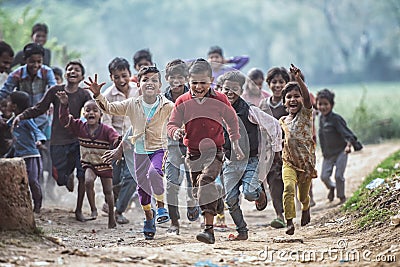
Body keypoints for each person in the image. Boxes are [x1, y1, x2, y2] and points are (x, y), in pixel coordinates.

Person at [85, 66, 174, 240]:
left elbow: (178, 122)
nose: (150, 83)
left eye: (154, 80)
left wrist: (180, 132)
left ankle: (162, 208)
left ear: (160, 85)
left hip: (159, 149)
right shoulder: (133, 104)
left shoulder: (168, 106)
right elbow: (109, 108)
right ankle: (149, 218)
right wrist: (97, 95)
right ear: (139, 85)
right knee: (142, 190)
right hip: (139, 151)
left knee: (154, 173)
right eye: (145, 80)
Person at [167, 58, 244, 244]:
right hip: (192, 154)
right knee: (198, 192)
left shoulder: (220, 99)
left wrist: (235, 143)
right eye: (194, 83)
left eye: (203, 82)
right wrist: (175, 131)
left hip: (214, 152)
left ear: (211, 80)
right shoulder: (182, 101)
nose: (198, 87)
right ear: (188, 81)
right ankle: (217, 199)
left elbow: (232, 121)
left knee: (206, 182)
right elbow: (172, 123)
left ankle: (208, 230)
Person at [11, 60, 92, 221]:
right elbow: (40, 108)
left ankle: (78, 210)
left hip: (79, 140)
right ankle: (66, 176)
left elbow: (92, 111)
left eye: (76, 70)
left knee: (82, 176)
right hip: (58, 141)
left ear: (82, 77)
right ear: (65, 74)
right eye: (69, 69)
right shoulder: (55, 90)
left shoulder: (84, 94)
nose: (72, 71)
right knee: (61, 179)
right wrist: (22, 115)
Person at [219, 71, 282, 240]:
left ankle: (260, 194)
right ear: (220, 89)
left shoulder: (249, 110)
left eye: (235, 88)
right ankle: (242, 230)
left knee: (248, 193)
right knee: (230, 200)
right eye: (227, 88)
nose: (230, 92)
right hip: (230, 163)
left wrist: (276, 150)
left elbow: (274, 125)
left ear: (241, 90)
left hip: (251, 161)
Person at [57, 92, 120, 228]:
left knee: (108, 191)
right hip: (89, 163)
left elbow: (115, 139)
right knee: (88, 181)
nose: (91, 112)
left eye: (95, 110)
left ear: (100, 115)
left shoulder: (106, 130)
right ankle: (93, 209)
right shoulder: (79, 126)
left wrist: (118, 145)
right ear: (83, 114)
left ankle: (111, 218)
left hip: (104, 164)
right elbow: (64, 120)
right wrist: (64, 105)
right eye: (88, 110)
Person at [279, 64, 317, 235]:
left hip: (306, 164)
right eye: (289, 97)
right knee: (287, 188)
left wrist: (298, 79)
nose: (293, 99)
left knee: (302, 195)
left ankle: (306, 206)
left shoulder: (306, 115)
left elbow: (308, 99)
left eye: (297, 96)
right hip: (288, 162)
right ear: (284, 102)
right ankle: (289, 221)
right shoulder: (282, 121)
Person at [101, 57, 139, 224]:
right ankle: (111, 203)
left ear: (130, 74)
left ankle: (119, 210)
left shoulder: (138, 90)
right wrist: (117, 141)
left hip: (135, 140)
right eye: (117, 77)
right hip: (115, 141)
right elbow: (106, 121)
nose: (121, 80)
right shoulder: (107, 96)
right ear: (111, 77)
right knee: (115, 179)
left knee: (132, 177)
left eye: (124, 75)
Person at [163, 59, 199, 235]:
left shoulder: (195, 95)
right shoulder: (161, 98)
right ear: (166, 78)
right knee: (171, 184)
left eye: (180, 77)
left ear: (186, 78)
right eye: (172, 77)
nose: (176, 80)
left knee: (193, 181)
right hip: (172, 146)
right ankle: (174, 223)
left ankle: (192, 201)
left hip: (192, 144)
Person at [316, 88, 363, 204]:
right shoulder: (321, 119)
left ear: (332, 105)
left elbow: (346, 133)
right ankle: (331, 187)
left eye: (326, 104)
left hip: (341, 151)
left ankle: (341, 198)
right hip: (328, 154)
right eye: (320, 104)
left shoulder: (336, 119)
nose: (323, 107)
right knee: (324, 177)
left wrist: (349, 145)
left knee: (338, 176)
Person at [259, 66, 290, 229]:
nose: (277, 85)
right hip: (270, 151)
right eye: (274, 82)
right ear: (268, 84)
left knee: (287, 181)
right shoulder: (264, 105)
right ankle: (279, 215)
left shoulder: (290, 102)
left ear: (286, 83)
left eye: (281, 82)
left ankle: (291, 211)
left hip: (289, 150)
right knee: (274, 182)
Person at [8, 91, 46, 213]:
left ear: (14, 106)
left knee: (33, 180)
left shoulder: (26, 120)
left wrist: (40, 140)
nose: (6, 103)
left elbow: (37, 131)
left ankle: (38, 202)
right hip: (18, 156)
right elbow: (5, 128)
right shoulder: (12, 120)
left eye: (9, 101)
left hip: (31, 155)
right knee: (19, 181)